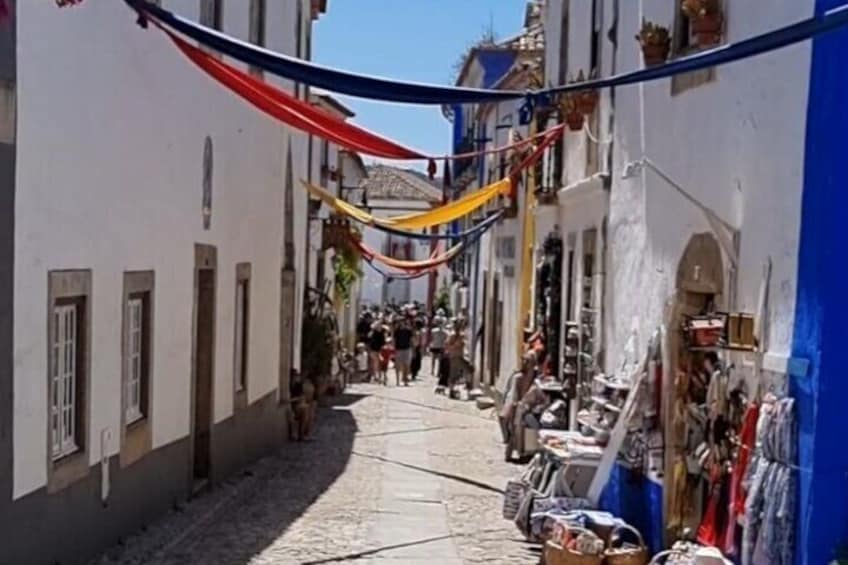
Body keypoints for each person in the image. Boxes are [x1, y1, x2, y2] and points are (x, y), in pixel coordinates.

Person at [289, 370, 316, 441]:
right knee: (305, 409)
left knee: (309, 410)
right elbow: (287, 399)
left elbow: (301, 396)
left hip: (298, 404)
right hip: (292, 406)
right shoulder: (288, 385)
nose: (296, 378)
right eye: (295, 376)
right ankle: (301, 434)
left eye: (296, 376)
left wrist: (299, 400)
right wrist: (296, 399)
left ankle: (305, 433)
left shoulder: (298, 385)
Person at [445, 323, 465, 399]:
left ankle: (453, 390)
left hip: (458, 356)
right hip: (454, 356)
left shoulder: (459, 335)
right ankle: (452, 391)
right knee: (453, 375)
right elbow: (447, 345)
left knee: (456, 375)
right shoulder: (453, 335)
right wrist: (455, 345)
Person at [393, 315, 414, 386]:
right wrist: (393, 349)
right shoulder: (396, 331)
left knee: (406, 365)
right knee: (398, 365)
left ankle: (405, 380)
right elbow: (394, 340)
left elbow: (411, 340)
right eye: (399, 322)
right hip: (398, 349)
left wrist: (412, 349)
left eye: (401, 321)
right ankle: (397, 381)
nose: (400, 323)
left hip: (406, 348)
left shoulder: (408, 330)